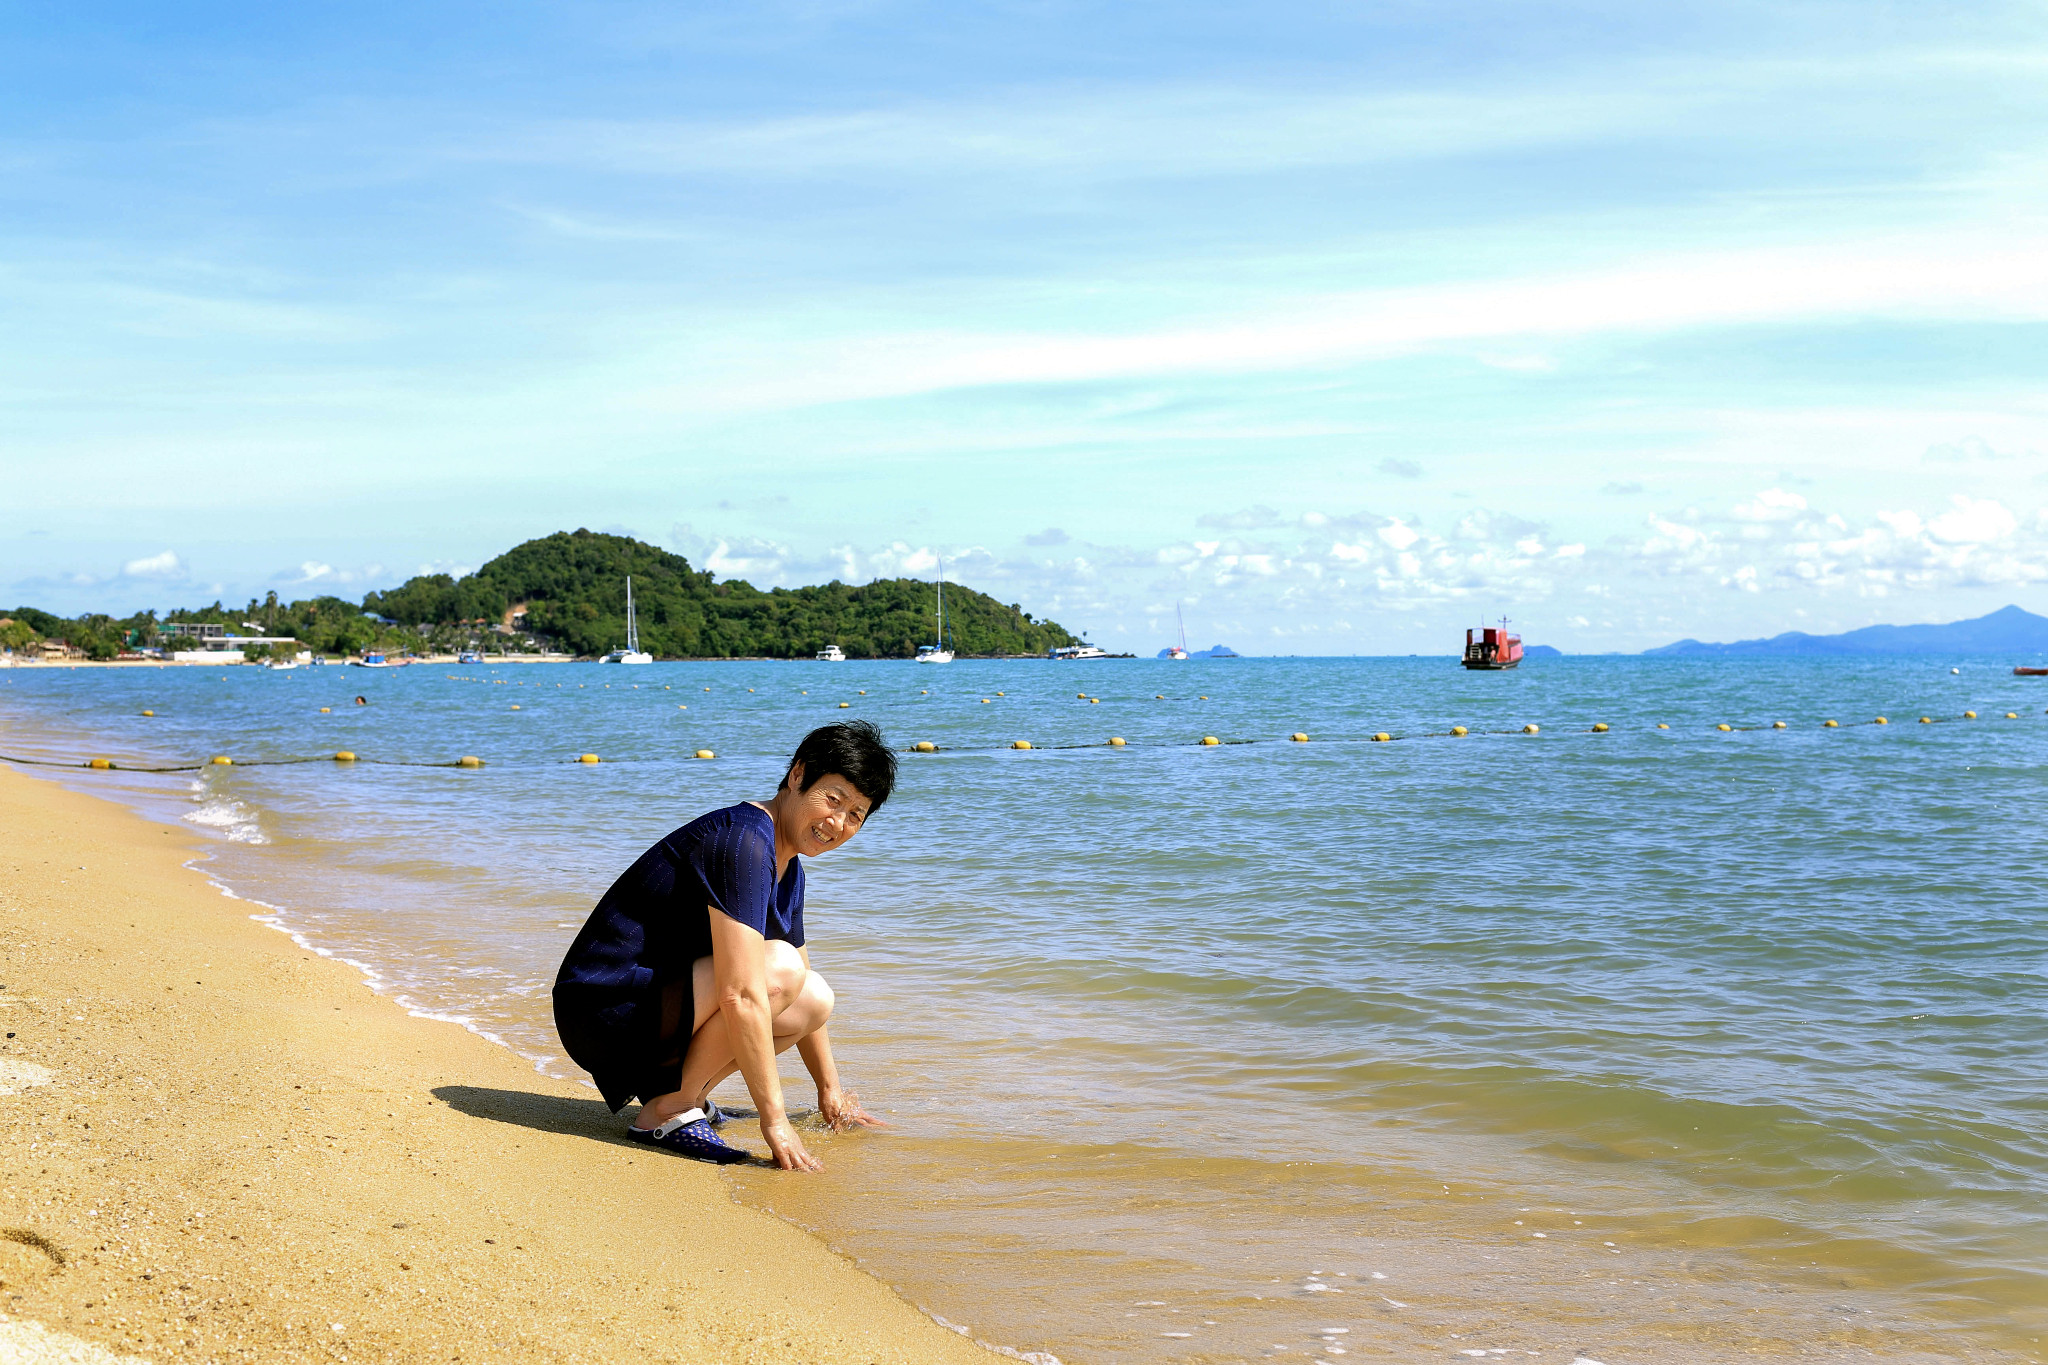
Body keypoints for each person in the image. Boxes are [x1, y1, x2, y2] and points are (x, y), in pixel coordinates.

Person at [552, 720, 894, 1169]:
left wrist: (829, 1089)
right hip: (602, 1005)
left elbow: (800, 982)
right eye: (833, 799)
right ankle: (671, 1106)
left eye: (856, 815)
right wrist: (774, 1121)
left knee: (812, 998)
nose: (837, 823)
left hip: (654, 1001)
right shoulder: (744, 842)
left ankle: (686, 1096)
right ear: (797, 776)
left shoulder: (788, 867)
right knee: (777, 970)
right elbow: (741, 992)